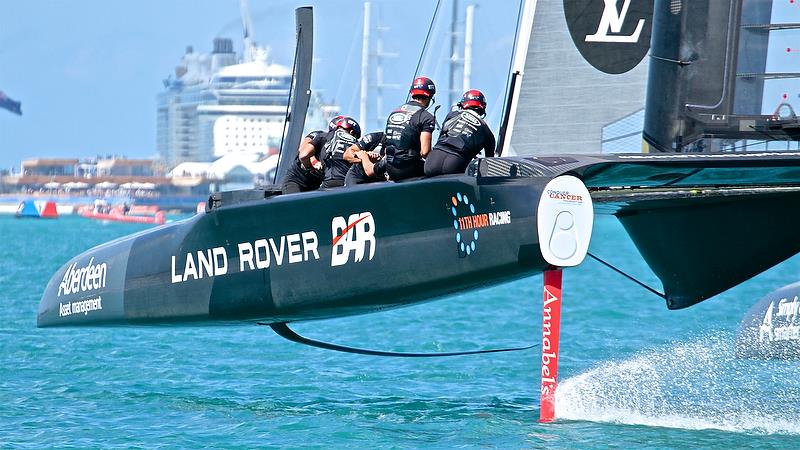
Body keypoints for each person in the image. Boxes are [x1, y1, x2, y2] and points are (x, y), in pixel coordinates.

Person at [424, 89, 496, 177]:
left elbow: (441, 137)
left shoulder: (452, 115)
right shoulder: (487, 131)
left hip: (432, 161)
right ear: (482, 108)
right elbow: (489, 164)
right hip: (455, 164)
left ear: (462, 105)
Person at [382, 76, 437, 181]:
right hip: (409, 169)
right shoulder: (426, 117)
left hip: (390, 167)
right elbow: (425, 152)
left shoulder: (394, 112)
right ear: (429, 97)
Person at [280, 116, 344, 194]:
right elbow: (303, 150)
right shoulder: (319, 135)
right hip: (296, 181)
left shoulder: (341, 149)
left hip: (315, 186)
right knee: (294, 204)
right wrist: (314, 162)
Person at [318, 116, 361, 189]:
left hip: (328, 181)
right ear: (352, 132)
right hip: (345, 182)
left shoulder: (325, 138)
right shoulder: (356, 144)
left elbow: (305, 154)